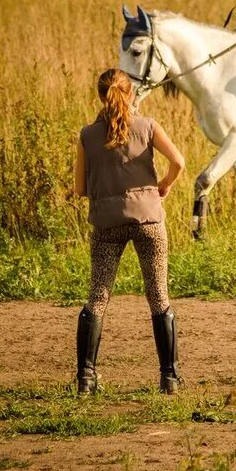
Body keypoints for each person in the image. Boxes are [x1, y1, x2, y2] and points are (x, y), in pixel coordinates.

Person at [73, 69, 186, 394]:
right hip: (148, 220)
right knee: (158, 296)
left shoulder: (87, 134)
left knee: (98, 297)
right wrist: (161, 186)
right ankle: (169, 378)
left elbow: (80, 188)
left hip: (107, 223)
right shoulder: (148, 126)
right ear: (132, 94)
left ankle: (86, 378)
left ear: (100, 96)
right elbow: (178, 161)